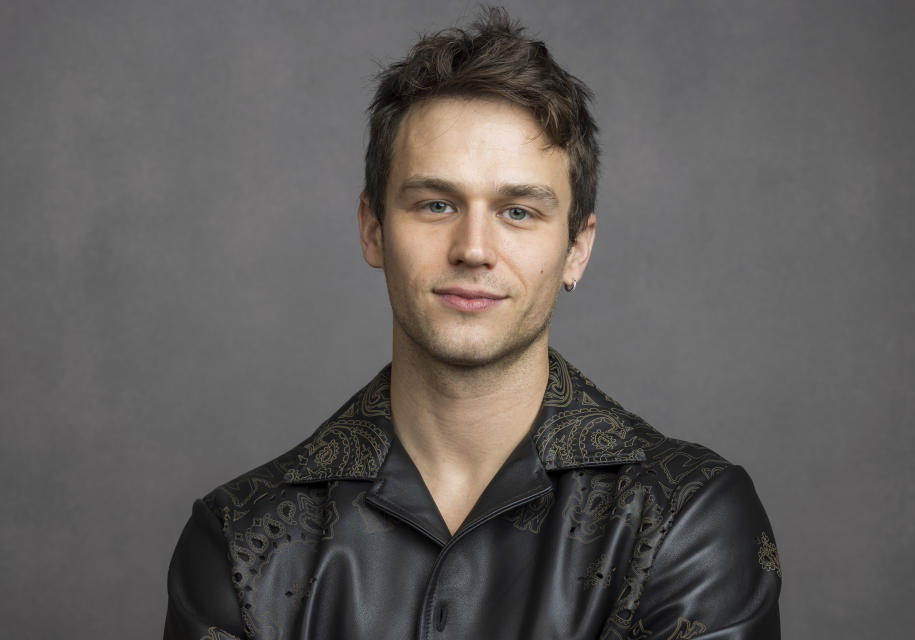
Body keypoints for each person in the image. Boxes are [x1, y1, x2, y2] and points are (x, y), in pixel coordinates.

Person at [164, 8, 781, 639]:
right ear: (373, 229)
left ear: (577, 248)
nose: (474, 248)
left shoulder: (687, 517)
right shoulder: (240, 541)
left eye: (518, 212)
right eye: (436, 204)